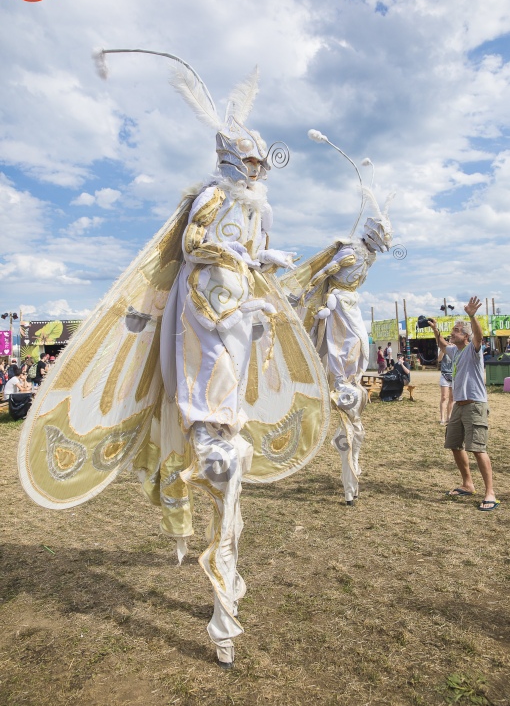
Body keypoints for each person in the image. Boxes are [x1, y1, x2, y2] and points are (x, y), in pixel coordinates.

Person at [18, 50, 330, 670]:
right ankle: (220, 582)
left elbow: (241, 255)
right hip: (207, 305)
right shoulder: (213, 198)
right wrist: (240, 259)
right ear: (231, 159)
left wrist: (258, 264)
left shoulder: (248, 209)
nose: (259, 169)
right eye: (252, 159)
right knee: (215, 375)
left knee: (234, 371)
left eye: (261, 162)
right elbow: (193, 245)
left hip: (233, 305)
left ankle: (226, 550)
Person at [281, 137, 393, 506]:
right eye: (379, 240)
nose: (381, 248)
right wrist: (303, 294)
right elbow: (324, 272)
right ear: (371, 234)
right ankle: (335, 374)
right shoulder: (349, 251)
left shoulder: (369, 257)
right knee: (345, 344)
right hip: (336, 306)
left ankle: (350, 376)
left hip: (351, 305)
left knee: (360, 344)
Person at [429, 297, 499, 512]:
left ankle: (491, 493)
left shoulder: (472, 350)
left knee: (478, 449)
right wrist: (435, 330)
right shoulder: (456, 351)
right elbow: (442, 344)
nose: (452, 332)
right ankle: (467, 484)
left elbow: (478, 336)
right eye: (452, 330)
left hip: (474, 405)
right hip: (458, 406)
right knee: (454, 444)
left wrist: (471, 316)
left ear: (466, 336)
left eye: (456, 330)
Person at [438, 336, 453, 425]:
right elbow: (439, 359)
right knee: (444, 397)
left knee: (452, 398)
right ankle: (442, 418)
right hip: (445, 374)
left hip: (454, 375)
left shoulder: (456, 349)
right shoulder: (444, 349)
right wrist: (444, 349)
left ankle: (449, 417)